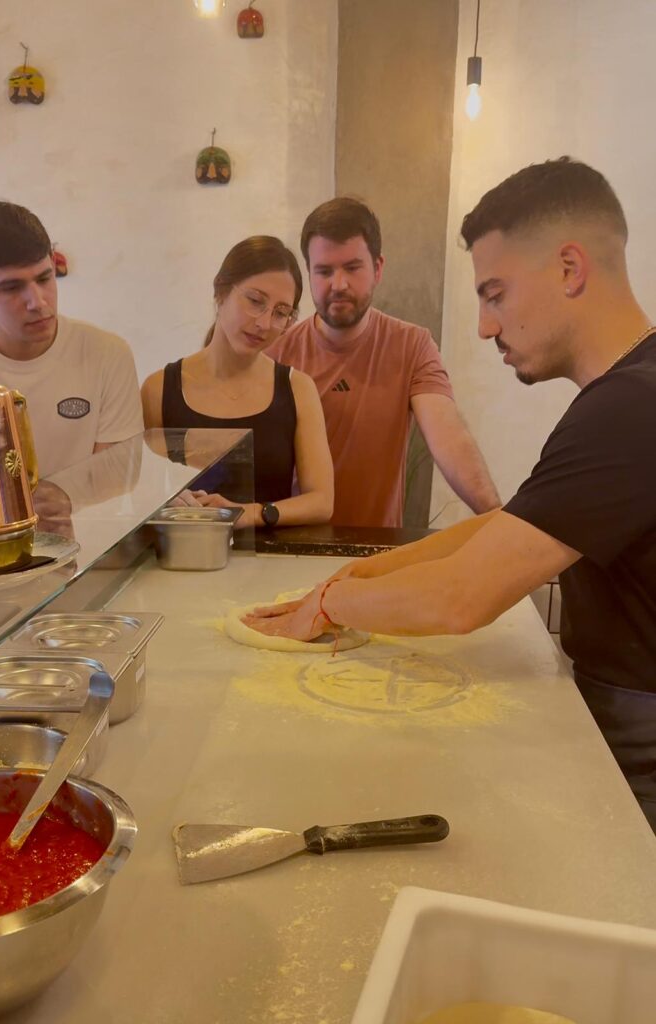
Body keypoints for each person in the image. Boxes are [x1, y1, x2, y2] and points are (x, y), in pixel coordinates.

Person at [249, 157, 656, 830]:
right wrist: (357, 574)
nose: (484, 327)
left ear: (569, 268)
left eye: (495, 294)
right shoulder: (625, 395)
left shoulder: (630, 408)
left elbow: (460, 597)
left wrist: (331, 601)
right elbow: (505, 526)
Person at [267, 197, 500, 528]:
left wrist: (496, 517)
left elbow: (448, 436)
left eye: (352, 267)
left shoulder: (411, 345)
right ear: (309, 274)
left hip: (377, 552)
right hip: (290, 549)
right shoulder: (276, 355)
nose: (339, 284)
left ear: (377, 268)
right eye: (324, 271)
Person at [141, 236, 333, 528]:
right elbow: (145, 494)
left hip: (271, 561)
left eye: (281, 313)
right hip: (182, 556)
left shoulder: (297, 388)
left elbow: (321, 501)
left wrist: (249, 513)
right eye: (255, 301)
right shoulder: (159, 389)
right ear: (221, 291)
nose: (264, 323)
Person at [0, 201, 143, 478]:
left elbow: (115, 482)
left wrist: (63, 503)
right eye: (13, 288)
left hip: (83, 522)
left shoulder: (107, 353)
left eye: (44, 278)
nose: (38, 302)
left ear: (54, 264)